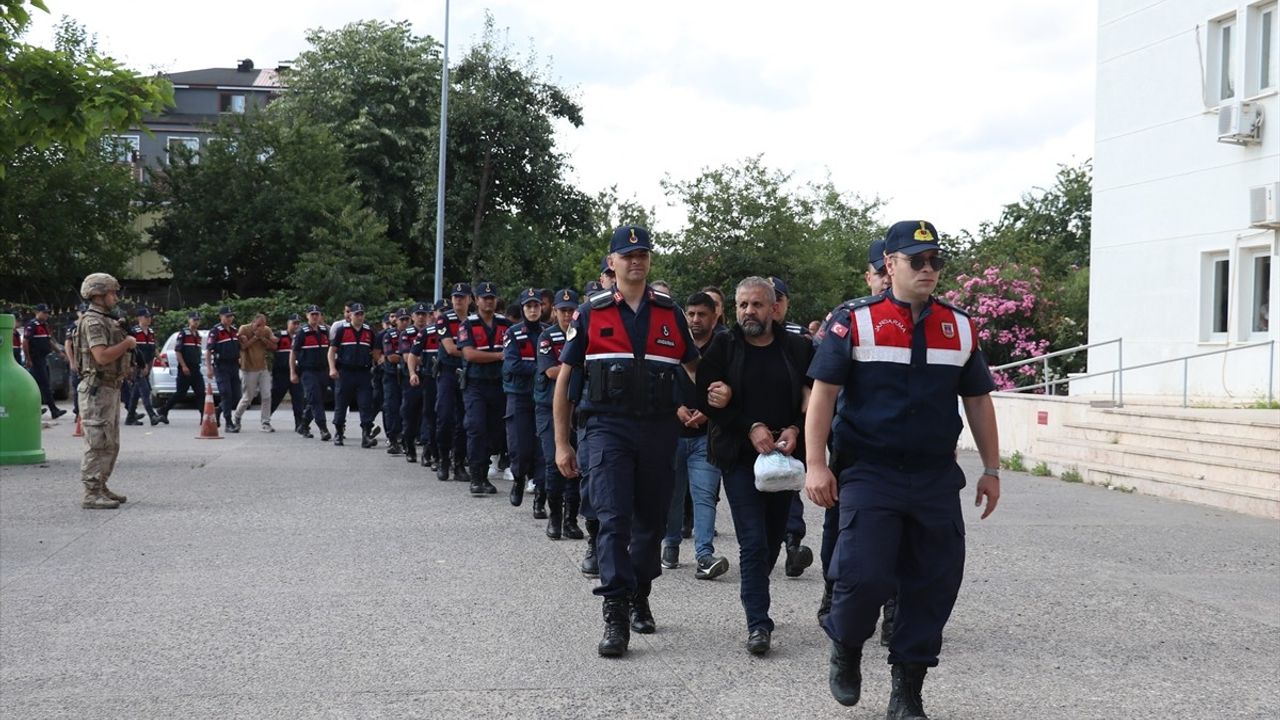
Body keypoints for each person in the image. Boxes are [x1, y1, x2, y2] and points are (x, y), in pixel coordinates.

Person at [804, 220, 1001, 715]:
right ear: (889, 265)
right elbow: (823, 397)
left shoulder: (959, 326)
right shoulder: (854, 321)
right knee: (863, 574)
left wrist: (992, 469)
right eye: (918, 260)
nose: (929, 269)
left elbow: (978, 402)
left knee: (934, 580)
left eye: (936, 260)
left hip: (934, 475)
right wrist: (815, 464)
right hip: (870, 471)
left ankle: (907, 689)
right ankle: (846, 645)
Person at [554, 225, 700, 658]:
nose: (637, 261)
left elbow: (695, 369)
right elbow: (565, 383)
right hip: (606, 427)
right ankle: (615, 611)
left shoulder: (670, 313)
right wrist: (563, 444)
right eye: (628, 255)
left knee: (650, 523)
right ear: (612, 262)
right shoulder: (591, 313)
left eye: (643, 254)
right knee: (613, 518)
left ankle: (641, 591)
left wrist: (709, 399)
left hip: (657, 429)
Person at [699, 276, 815, 655]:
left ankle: (755, 592)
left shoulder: (797, 348)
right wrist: (749, 426)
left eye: (757, 305)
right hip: (739, 458)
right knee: (751, 541)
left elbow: (813, 399)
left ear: (774, 308)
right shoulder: (723, 345)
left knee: (771, 540)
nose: (749, 312)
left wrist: (797, 430)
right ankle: (758, 623)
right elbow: (706, 398)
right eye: (743, 305)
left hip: (784, 459)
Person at [817, 237, 891, 630]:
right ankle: (834, 591)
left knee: (902, 532)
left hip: (900, 448)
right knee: (840, 525)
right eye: (879, 273)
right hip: (852, 443)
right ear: (869, 276)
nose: (885, 281)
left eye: (889, 271)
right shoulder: (847, 319)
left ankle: (894, 608)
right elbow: (821, 385)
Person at [660, 292, 729, 580]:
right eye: (690, 314)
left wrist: (708, 411)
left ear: (715, 316)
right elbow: (659, 382)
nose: (695, 319)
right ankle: (671, 545)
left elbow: (730, 388)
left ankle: (704, 555)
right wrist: (675, 408)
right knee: (673, 496)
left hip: (707, 435)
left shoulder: (725, 347)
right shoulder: (671, 344)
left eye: (702, 314)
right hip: (673, 433)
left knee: (704, 496)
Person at [763, 276, 816, 579]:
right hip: (756, 427)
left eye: (779, 298)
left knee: (789, 482)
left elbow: (814, 382)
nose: (774, 305)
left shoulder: (800, 338)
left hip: (793, 424)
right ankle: (766, 545)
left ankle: (793, 543)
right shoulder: (744, 336)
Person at [73, 273, 135, 509]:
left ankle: (101, 485)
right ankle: (91, 493)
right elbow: (101, 356)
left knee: (110, 442)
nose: (116, 297)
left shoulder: (106, 319)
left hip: (109, 387)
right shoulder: (94, 321)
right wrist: (127, 343)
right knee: (97, 442)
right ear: (98, 294)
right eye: (112, 292)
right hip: (97, 388)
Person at [535, 289, 584, 541]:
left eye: (570, 310)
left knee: (577, 465)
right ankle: (554, 517)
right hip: (549, 408)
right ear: (554, 311)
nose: (567, 315)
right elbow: (551, 371)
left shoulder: (582, 333)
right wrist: (578, 368)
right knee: (555, 463)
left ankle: (571, 519)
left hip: (578, 408)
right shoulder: (547, 336)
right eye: (562, 310)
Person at [459, 281, 511, 495]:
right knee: (476, 427)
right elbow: (469, 354)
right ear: (477, 300)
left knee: (495, 430)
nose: (488, 301)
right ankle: (477, 476)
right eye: (484, 297)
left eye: (492, 297)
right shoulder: (468, 325)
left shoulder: (505, 324)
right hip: (476, 385)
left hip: (499, 384)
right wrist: (499, 356)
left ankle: (485, 469)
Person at [502, 288, 546, 510]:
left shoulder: (549, 332)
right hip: (519, 396)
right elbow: (513, 364)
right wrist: (542, 368)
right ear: (523, 309)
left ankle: (540, 495)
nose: (532, 310)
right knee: (519, 445)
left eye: (536, 306)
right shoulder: (513, 333)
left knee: (542, 448)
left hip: (543, 397)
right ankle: (519, 479)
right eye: (528, 306)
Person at [328, 302, 381, 448]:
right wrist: (332, 368)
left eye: (361, 313)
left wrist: (380, 363)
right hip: (345, 372)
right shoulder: (342, 330)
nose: (359, 316)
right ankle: (339, 433)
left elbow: (375, 352)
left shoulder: (369, 332)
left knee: (365, 404)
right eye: (356, 314)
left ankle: (366, 436)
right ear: (350, 315)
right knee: (341, 403)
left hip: (363, 373)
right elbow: (332, 351)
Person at [435, 285, 472, 482]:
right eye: (455, 297)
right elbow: (449, 348)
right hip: (448, 372)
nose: (458, 300)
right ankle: (443, 460)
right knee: (445, 417)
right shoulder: (445, 318)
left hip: (468, 373)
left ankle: (459, 462)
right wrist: (472, 352)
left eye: (462, 297)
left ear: (469, 299)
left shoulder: (474, 320)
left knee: (465, 421)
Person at [403, 302, 437, 466]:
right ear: (413, 316)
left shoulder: (437, 332)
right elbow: (406, 355)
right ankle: (409, 445)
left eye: (425, 314)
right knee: (411, 414)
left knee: (429, 415)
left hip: (430, 378)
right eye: (419, 314)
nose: (422, 317)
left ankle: (427, 450)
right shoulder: (408, 333)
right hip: (414, 379)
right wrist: (414, 370)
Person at [291, 305, 332, 441]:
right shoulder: (302, 332)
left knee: (318, 399)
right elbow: (293, 353)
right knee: (315, 399)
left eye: (317, 314)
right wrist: (293, 372)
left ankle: (303, 424)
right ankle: (323, 428)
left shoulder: (324, 331)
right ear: (307, 316)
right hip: (308, 371)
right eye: (312, 314)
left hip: (323, 370)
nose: (315, 316)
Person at [234, 313, 278, 432]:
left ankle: (265, 422)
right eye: (258, 325)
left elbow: (274, 346)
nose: (260, 328)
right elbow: (243, 347)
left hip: (262, 367)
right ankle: (237, 417)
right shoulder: (244, 329)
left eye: (262, 325)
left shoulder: (266, 330)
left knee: (267, 395)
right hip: (248, 368)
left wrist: (263, 338)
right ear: (253, 323)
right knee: (248, 397)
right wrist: (254, 337)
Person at [158, 313, 204, 423]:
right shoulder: (183, 334)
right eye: (194, 320)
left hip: (196, 368)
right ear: (189, 320)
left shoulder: (198, 335)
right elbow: (178, 351)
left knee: (201, 392)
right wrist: (183, 366)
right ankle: (164, 410)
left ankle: (204, 417)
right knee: (180, 393)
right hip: (185, 368)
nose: (196, 322)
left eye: (197, 320)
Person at [23, 303, 66, 418]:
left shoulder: (44, 325)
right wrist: (28, 359)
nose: (46, 315)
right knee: (44, 385)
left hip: (43, 359)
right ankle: (53, 410)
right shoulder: (32, 325)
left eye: (47, 313)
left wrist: (59, 352)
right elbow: (25, 342)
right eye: (44, 313)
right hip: (35, 359)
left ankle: (35, 408)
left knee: (36, 385)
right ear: (37, 313)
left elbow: (49, 341)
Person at [207, 307, 243, 432]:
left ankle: (219, 410)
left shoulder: (234, 330)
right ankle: (228, 422)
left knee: (236, 396)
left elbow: (239, 348)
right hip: (221, 366)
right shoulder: (215, 331)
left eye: (231, 316)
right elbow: (209, 350)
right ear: (221, 317)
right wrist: (209, 369)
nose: (230, 318)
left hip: (233, 366)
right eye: (227, 316)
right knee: (226, 393)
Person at [123, 306, 160, 426]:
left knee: (135, 393)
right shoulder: (134, 332)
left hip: (147, 365)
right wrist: (132, 366)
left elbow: (153, 349)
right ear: (139, 318)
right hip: (137, 366)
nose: (149, 319)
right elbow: (130, 350)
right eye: (146, 317)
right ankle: (152, 415)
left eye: (150, 317)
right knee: (145, 390)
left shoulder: (151, 332)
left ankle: (130, 417)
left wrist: (160, 359)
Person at [271, 314, 308, 433]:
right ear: (288, 324)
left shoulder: (302, 336)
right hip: (281, 372)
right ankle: (265, 419)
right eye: (294, 323)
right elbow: (270, 344)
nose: (296, 326)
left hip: (297, 372)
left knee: (298, 399)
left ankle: (299, 424)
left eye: (298, 323)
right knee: (275, 397)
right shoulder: (280, 335)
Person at [381, 309, 410, 455]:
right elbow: (391, 356)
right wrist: (409, 358)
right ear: (396, 321)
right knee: (392, 407)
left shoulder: (414, 334)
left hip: (407, 376)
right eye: (402, 319)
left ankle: (406, 439)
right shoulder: (390, 335)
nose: (405, 322)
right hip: (392, 376)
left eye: (407, 319)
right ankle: (393, 439)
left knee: (408, 409)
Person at [65, 304, 88, 421]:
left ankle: (86, 412)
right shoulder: (73, 327)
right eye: (82, 312)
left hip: (89, 362)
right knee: (77, 388)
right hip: (78, 361)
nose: (84, 315)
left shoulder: (89, 326)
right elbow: (68, 345)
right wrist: (72, 361)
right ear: (78, 313)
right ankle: (78, 412)